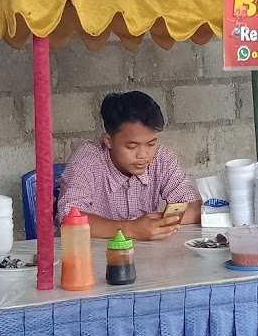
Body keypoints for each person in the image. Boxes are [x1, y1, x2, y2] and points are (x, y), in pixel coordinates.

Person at [57, 91, 201, 240]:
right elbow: (68, 217)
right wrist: (130, 229)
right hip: (94, 255)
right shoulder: (87, 160)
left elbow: (195, 208)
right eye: (132, 146)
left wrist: (159, 221)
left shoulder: (162, 159)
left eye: (151, 144)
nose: (143, 155)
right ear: (109, 141)